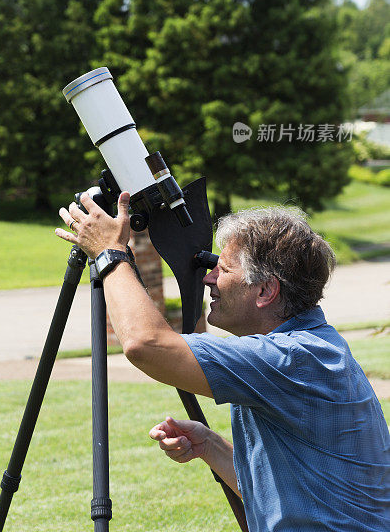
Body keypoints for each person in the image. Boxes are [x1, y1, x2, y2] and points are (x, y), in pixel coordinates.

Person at [55, 192, 390, 531]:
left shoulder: (291, 359)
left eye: (224, 269)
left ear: (265, 291)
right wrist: (209, 444)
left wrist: (109, 254)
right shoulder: (312, 347)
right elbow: (287, 494)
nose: (208, 277)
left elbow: (146, 344)